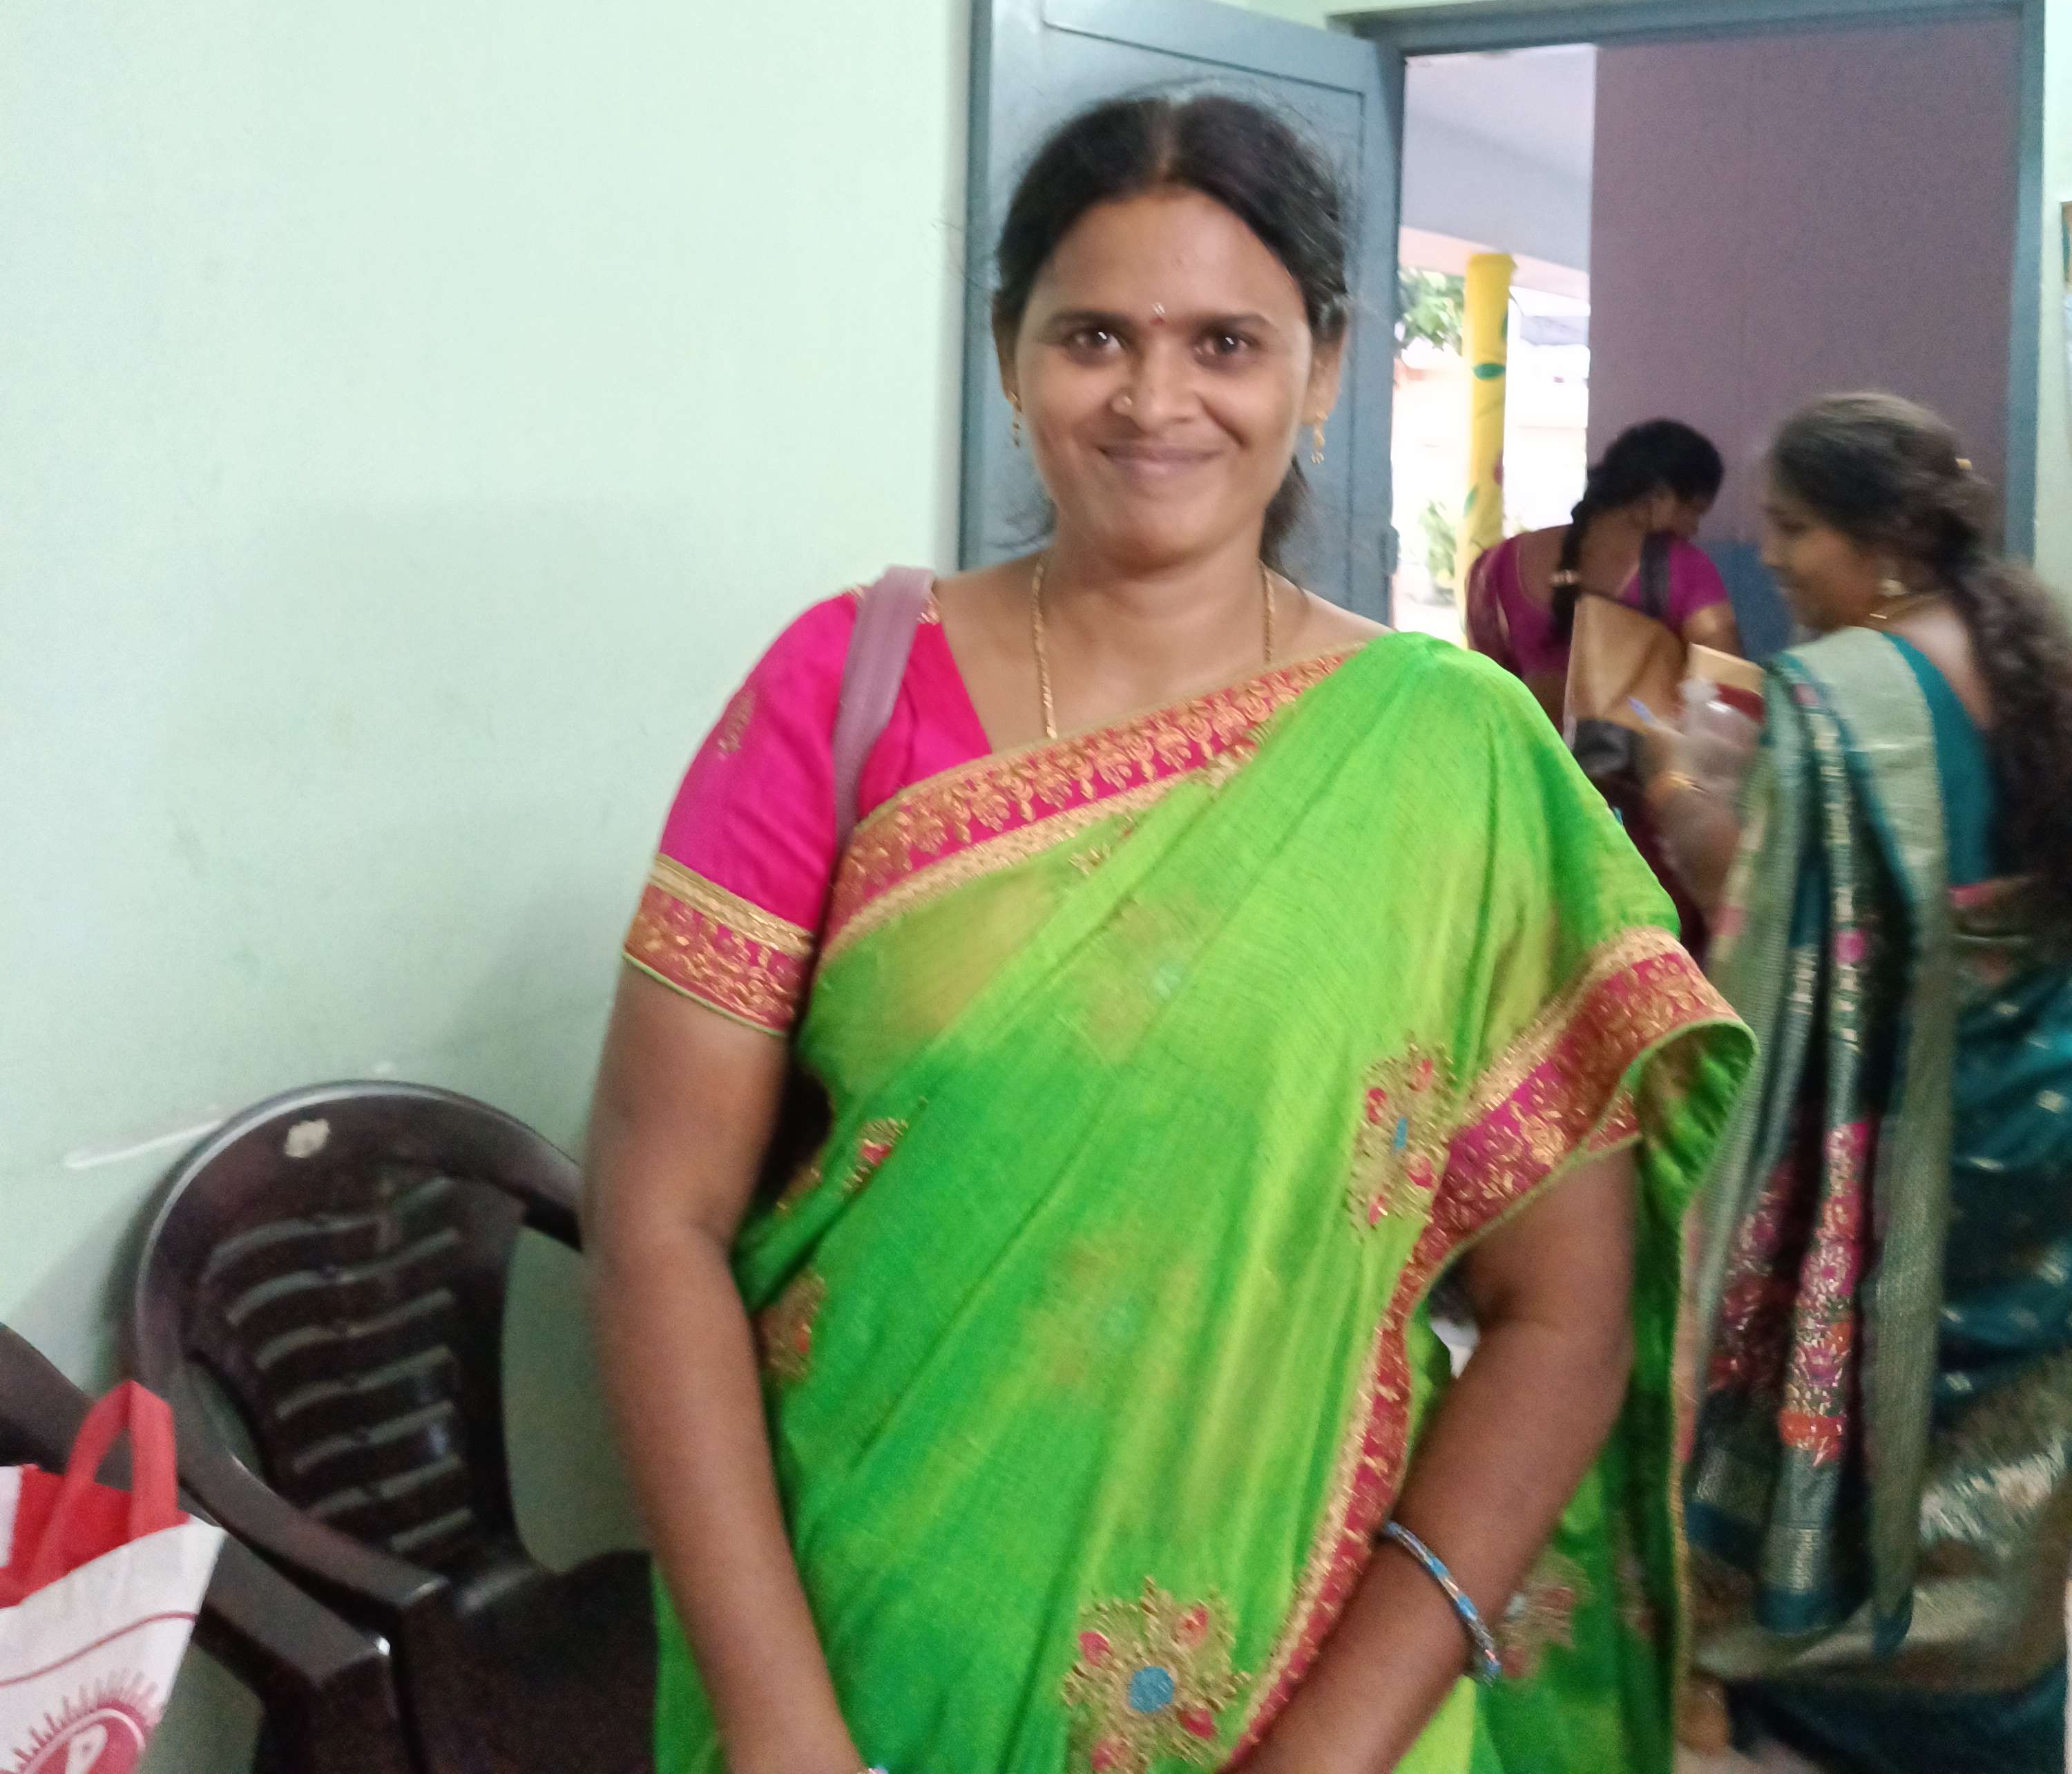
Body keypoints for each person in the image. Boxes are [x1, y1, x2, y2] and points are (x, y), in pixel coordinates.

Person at [585, 91, 1749, 1774]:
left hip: (1313, 1684)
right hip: (860, 1655)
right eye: (1093, 336)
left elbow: (1561, 1318)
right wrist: (778, 1726)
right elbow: (656, 1211)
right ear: (1009, 351)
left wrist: (1329, 1751)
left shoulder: (1453, 757)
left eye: (1224, 341)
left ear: (1322, 367)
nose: (1153, 399)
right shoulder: (839, 690)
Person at [1644, 392, 2072, 1774]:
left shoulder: (1845, 699)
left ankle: (1838, 1697)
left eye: (1795, 528)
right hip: (2039, 1139)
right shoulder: (2033, 655)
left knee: (1859, 1423)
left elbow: (1776, 928)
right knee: (2009, 1465)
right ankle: (1996, 1701)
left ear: (1881, 538)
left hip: (1900, 1158)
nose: (1772, 557)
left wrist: (1685, 794)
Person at [1464, 418, 1741, 729]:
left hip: (1525, 755)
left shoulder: (1496, 565)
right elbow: (1726, 690)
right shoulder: (1685, 568)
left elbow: (1483, 694)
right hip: (1635, 759)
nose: (1695, 528)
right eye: (1694, 511)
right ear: (1658, 497)